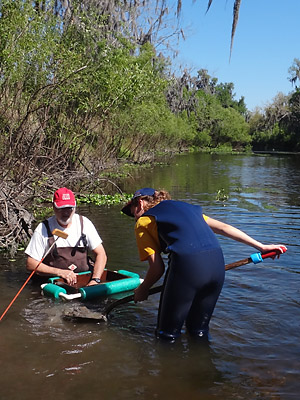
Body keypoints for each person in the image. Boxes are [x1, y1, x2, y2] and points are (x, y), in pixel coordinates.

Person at [121, 187, 287, 342]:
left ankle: (169, 371)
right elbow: (223, 227)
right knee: (198, 330)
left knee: (167, 335)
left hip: (189, 268)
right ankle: (204, 370)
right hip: (216, 265)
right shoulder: (187, 209)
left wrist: (142, 290)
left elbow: (157, 268)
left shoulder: (143, 221)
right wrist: (262, 246)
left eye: (132, 212)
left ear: (140, 203)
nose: (134, 218)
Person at [25, 187, 107, 286]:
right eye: (62, 208)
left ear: (75, 207)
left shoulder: (84, 223)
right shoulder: (43, 228)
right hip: (52, 285)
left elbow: (101, 254)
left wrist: (95, 279)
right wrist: (60, 272)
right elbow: (31, 263)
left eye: (70, 208)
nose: (66, 212)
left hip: (83, 281)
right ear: (54, 207)